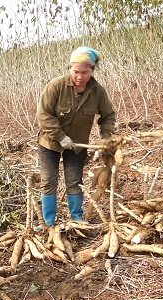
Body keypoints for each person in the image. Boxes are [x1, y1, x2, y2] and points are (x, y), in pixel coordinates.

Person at [36, 46, 116, 224]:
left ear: (92, 70)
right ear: (70, 69)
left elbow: (108, 115)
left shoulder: (97, 92)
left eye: (85, 72)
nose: (80, 77)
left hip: (77, 145)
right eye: (76, 71)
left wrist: (106, 137)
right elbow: (44, 115)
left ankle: (77, 218)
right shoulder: (56, 86)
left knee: (74, 181)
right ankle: (48, 222)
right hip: (50, 142)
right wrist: (61, 137)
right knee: (49, 181)